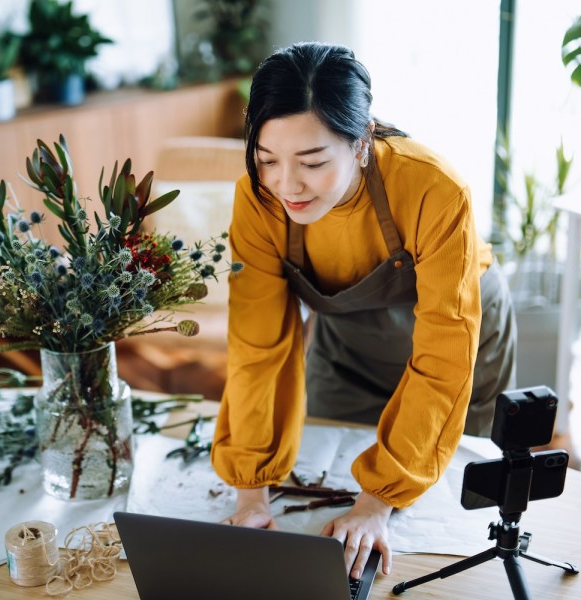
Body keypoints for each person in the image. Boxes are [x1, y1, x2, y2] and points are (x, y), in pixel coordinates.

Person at [210, 42, 517, 580]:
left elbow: (443, 359)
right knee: (325, 484)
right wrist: (251, 494)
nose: (287, 185)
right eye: (267, 160)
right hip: (346, 340)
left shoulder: (435, 188)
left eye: (312, 162)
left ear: (361, 142)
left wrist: (377, 501)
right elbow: (257, 347)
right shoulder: (257, 202)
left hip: (461, 333)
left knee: (458, 511)